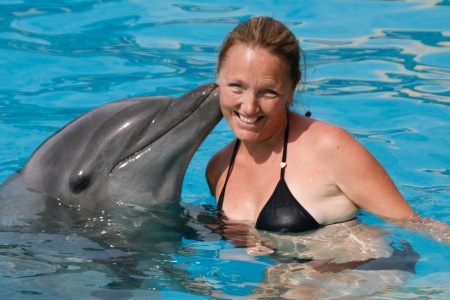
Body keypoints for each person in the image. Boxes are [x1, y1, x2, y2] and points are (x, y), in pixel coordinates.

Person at [206, 16, 419, 233]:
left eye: (268, 91)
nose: (250, 107)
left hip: (366, 266)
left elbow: (419, 227)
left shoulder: (331, 148)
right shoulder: (218, 168)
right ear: (218, 75)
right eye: (236, 86)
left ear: (292, 87)